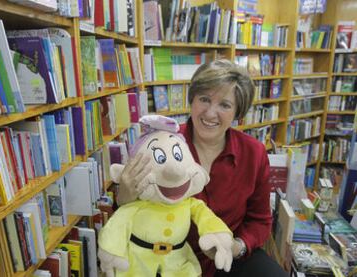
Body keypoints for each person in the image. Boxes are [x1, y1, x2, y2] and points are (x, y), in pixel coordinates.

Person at [116, 59, 288, 277]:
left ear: (237, 112)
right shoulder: (161, 143)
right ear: (192, 100)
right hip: (167, 259)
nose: (210, 113)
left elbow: (260, 220)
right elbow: (127, 213)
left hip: (227, 259)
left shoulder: (253, 153)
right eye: (204, 99)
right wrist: (124, 197)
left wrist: (236, 247)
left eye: (224, 105)